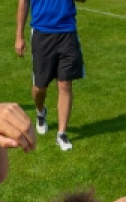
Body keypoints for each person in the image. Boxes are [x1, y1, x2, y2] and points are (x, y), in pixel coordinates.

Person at [16, 0, 86, 151]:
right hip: (42, 33)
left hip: (67, 33)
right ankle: (40, 111)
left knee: (65, 84)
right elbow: (23, 3)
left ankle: (62, 134)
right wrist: (19, 36)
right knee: (40, 87)